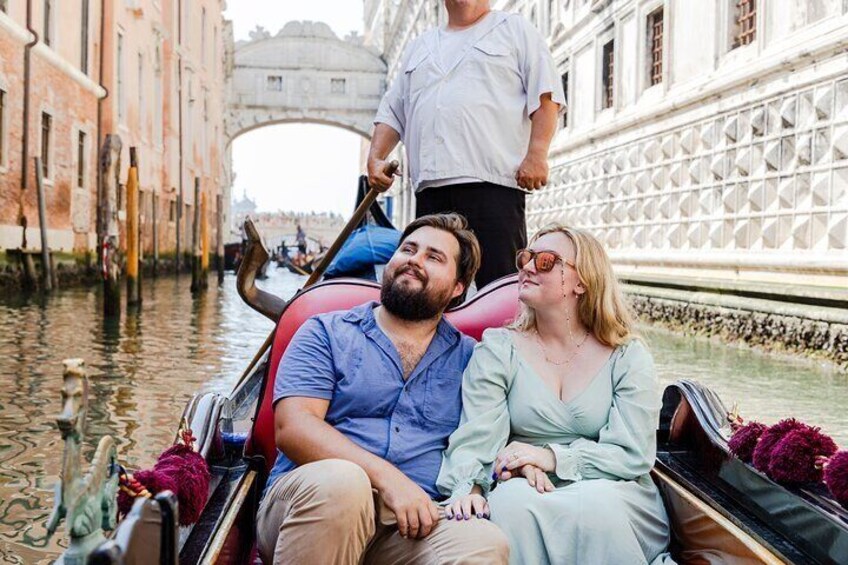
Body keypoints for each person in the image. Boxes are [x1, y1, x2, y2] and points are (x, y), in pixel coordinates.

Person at [256, 213, 509, 565]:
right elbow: (293, 427)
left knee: (484, 542)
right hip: (311, 505)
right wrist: (388, 479)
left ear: (457, 287)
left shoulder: (473, 359)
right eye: (408, 249)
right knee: (345, 484)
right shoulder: (325, 332)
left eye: (433, 257)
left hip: (409, 525)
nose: (414, 260)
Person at [436, 225, 672, 564]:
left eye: (546, 261)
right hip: (526, 483)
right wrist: (472, 486)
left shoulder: (627, 355)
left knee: (595, 507)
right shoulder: (499, 349)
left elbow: (632, 453)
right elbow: (476, 436)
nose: (528, 267)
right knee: (511, 505)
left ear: (582, 282)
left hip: (614, 488)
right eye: (525, 258)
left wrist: (552, 458)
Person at [368, 0, 565, 289]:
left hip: (493, 187)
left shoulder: (514, 29)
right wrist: (376, 157)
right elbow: (393, 112)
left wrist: (537, 155)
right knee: (427, 288)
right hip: (430, 193)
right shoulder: (418, 47)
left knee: (498, 288)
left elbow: (546, 95)